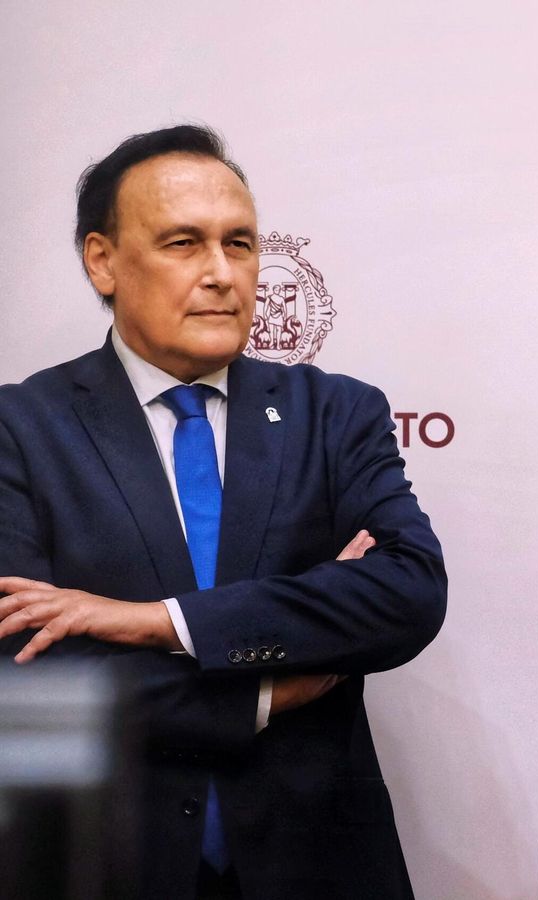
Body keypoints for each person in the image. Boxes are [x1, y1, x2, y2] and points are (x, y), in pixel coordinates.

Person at [0, 125, 447, 900]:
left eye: (239, 244)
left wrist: (154, 622)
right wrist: (267, 691)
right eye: (183, 243)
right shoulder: (22, 430)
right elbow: (24, 677)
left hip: (315, 866)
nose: (223, 274)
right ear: (102, 260)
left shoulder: (335, 414)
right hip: (101, 861)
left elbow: (407, 594)